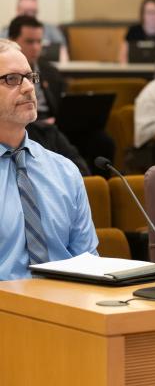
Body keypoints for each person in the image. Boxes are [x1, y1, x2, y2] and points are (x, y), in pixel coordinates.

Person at [0, 39, 97, 280]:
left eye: (29, 76)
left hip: (65, 306)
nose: (28, 88)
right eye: (12, 79)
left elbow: (88, 261)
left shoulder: (64, 171)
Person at [9, 15, 114, 174]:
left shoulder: (49, 70)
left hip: (55, 124)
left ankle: (97, 189)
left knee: (101, 141)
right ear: (12, 41)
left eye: (39, 42)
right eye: (30, 42)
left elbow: (64, 102)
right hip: (28, 123)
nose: (36, 47)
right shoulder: (6, 73)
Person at [0, 0, 69, 63]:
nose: (30, 15)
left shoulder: (51, 30)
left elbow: (63, 54)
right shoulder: (6, 32)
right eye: (26, 12)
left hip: (46, 69)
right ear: (17, 10)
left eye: (34, 12)